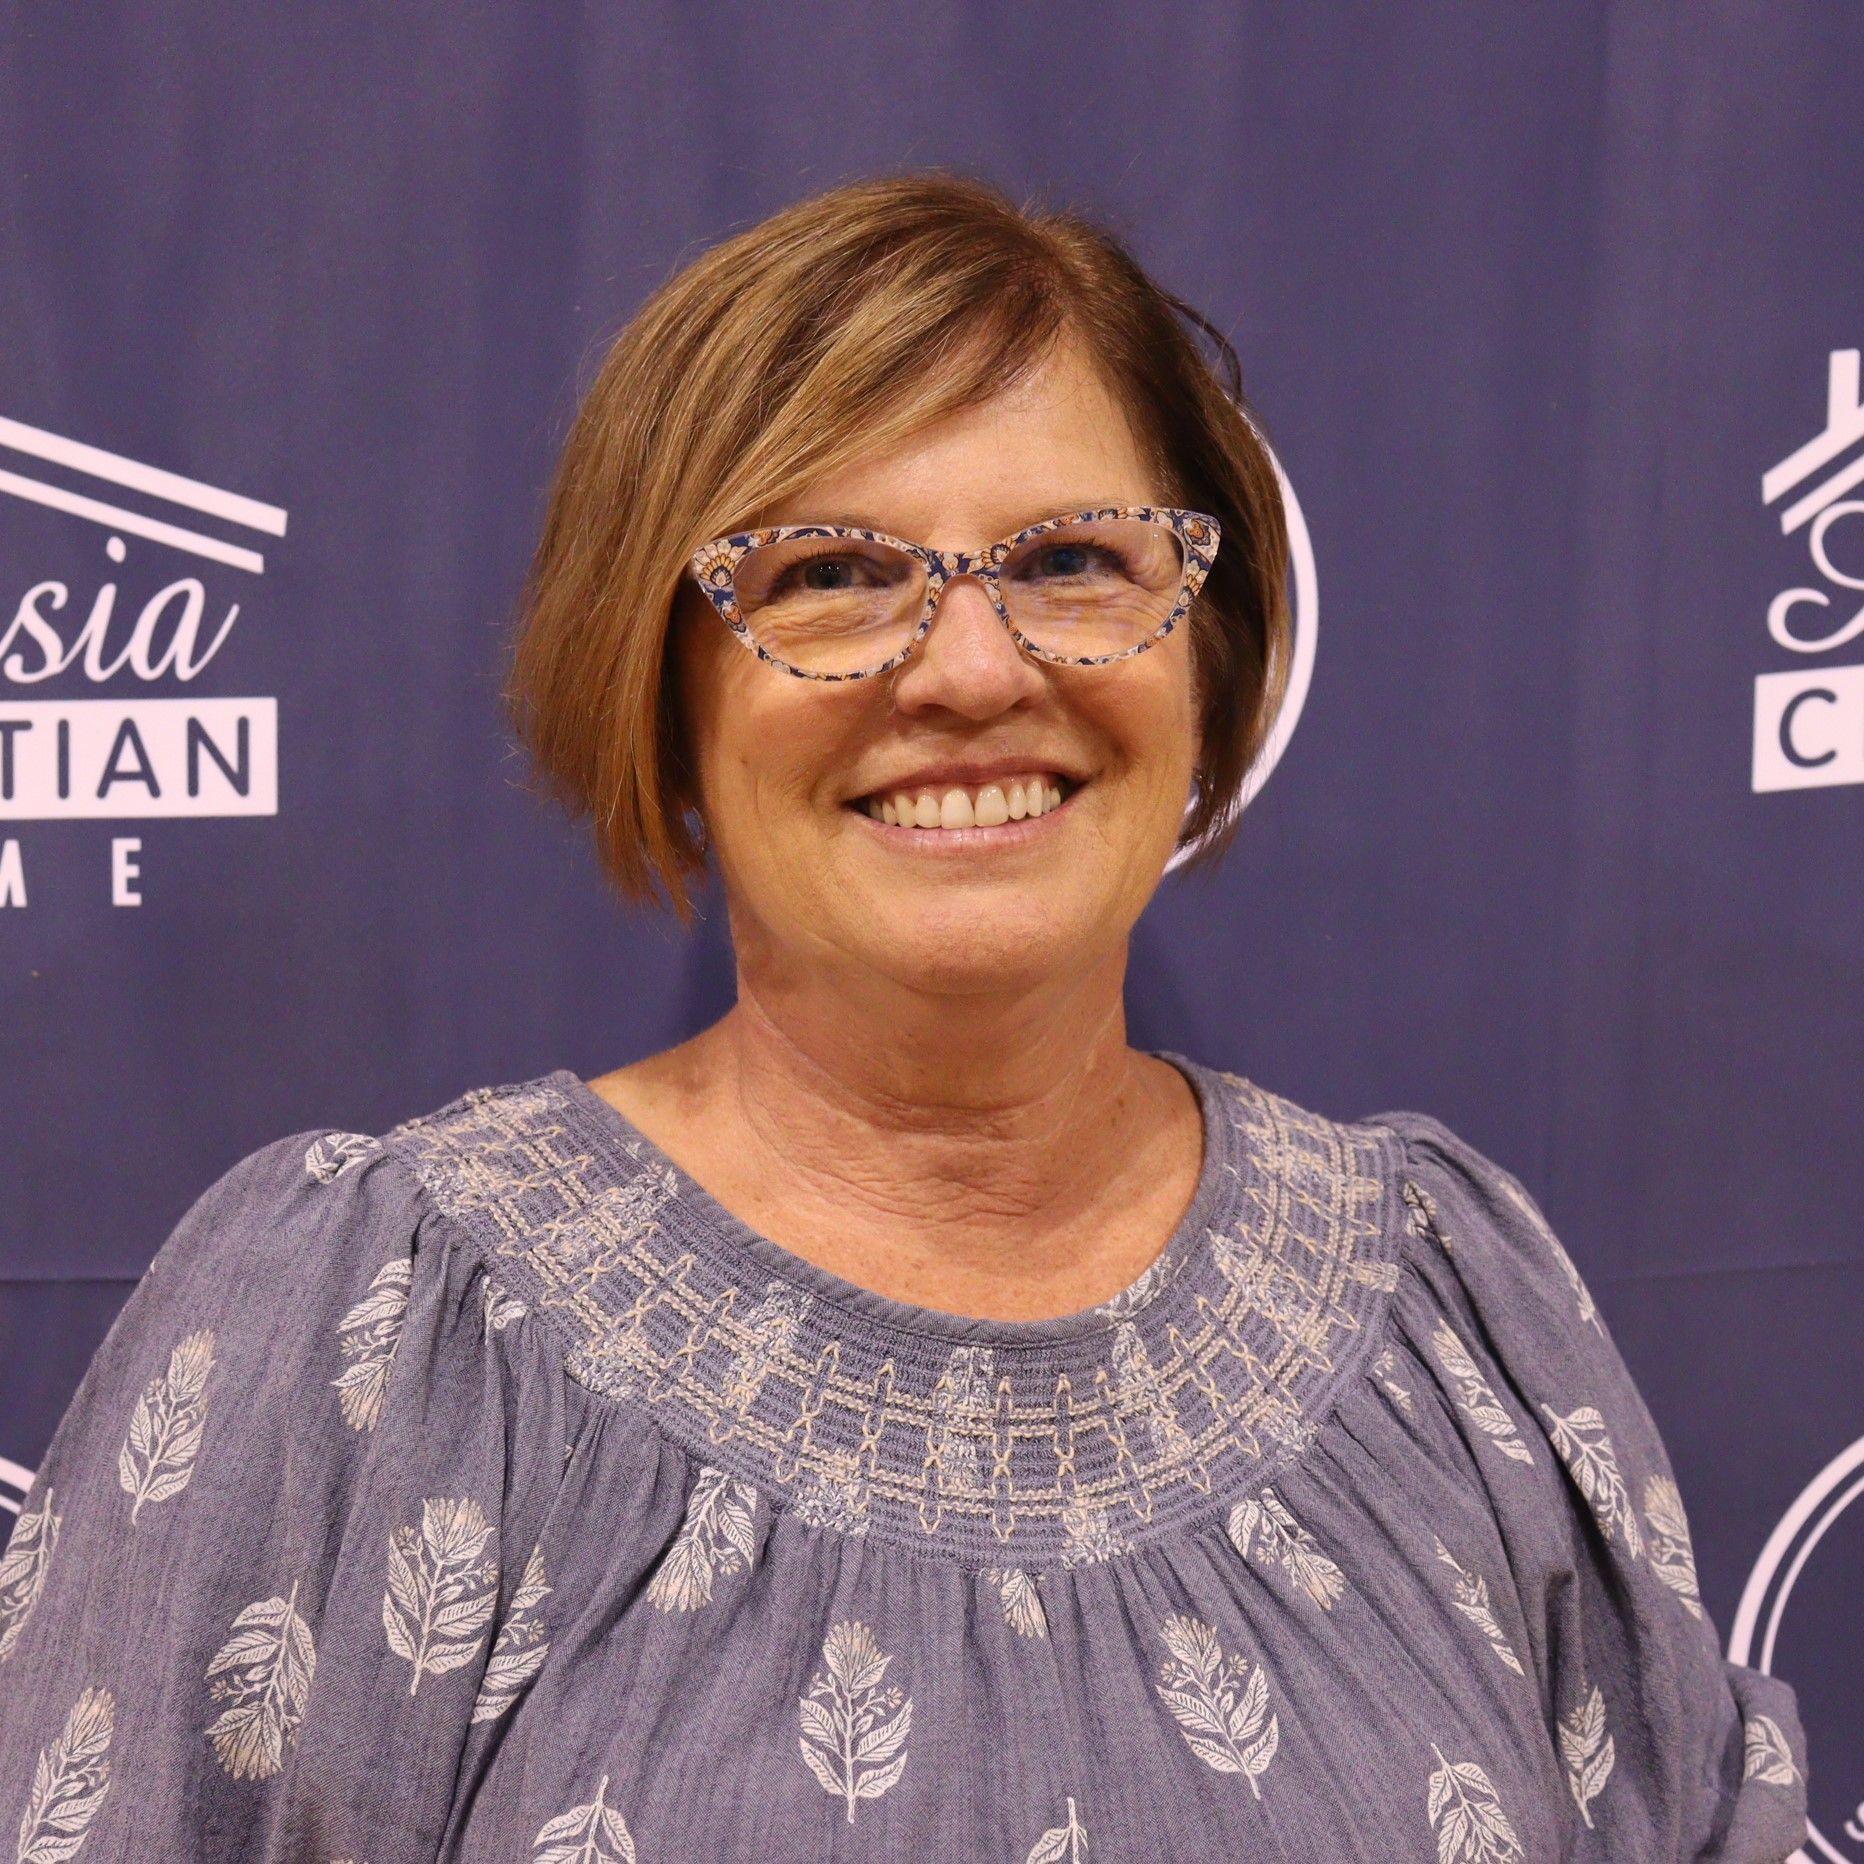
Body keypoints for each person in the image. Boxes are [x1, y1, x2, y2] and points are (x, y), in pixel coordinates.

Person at [0, 174, 1808, 1861]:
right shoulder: (374, 1334)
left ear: (1209, 652)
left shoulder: (1453, 1309)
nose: (968, 666)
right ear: (661, 685)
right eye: (830, 576)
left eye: (1076, 562)